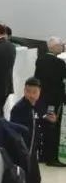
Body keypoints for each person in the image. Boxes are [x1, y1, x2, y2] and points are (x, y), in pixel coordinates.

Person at [10, 77, 53, 183]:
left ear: (39, 92)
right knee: (26, 181)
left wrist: (50, 121)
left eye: (34, 92)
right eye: (28, 91)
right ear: (24, 91)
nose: (31, 95)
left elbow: (39, 123)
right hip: (22, 153)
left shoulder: (39, 106)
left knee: (34, 180)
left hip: (32, 152)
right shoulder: (19, 108)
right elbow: (14, 131)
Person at [33, 37, 66, 167]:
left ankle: (42, 155)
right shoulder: (59, 63)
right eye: (61, 45)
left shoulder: (40, 60)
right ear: (54, 47)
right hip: (55, 101)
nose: (62, 47)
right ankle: (51, 158)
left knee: (42, 126)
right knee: (53, 128)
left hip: (41, 99)